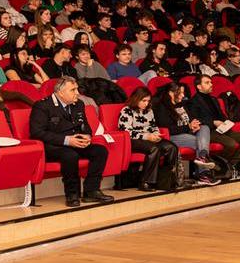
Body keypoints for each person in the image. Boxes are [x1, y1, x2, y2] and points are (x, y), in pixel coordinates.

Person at [29, 77, 113, 207]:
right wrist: (67, 140)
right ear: (60, 92)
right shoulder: (42, 105)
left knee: (100, 151)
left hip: (75, 142)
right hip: (53, 146)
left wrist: (87, 136)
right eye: (73, 90)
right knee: (70, 155)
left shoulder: (78, 104)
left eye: (77, 89)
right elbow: (37, 132)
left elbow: (86, 126)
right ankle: (72, 194)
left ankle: (91, 191)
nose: (77, 93)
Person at [151, 83, 220, 185]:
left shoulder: (181, 105)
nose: (183, 96)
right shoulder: (162, 107)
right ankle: (203, 173)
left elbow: (191, 120)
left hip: (187, 133)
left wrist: (194, 125)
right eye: (180, 93)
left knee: (204, 127)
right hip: (172, 137)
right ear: (171, 93)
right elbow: (168, 129)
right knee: (200, 142)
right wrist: (188, 127)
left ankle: (202, 157)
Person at [117, 87, 181, 191]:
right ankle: (146, 182)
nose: (146, 103)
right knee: (153, 149)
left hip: (148, 138)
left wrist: (156, 134)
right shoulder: (127, 110)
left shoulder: (149, 110)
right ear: (136, 99)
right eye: (144, 101)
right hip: (132, 140)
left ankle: (165, 181)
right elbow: (126, 132)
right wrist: (147, 136)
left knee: (171, 147)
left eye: (148, 101)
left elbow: (153, 126)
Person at [188, 75, 240, 176]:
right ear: (199, 86)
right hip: (208, 131)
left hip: (222, 129)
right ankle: (218, 164)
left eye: (211, 82)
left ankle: (231, 164)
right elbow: (196, 119)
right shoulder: (193, 101)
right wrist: (213, 122)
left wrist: (226, 122)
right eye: (207, 83)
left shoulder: (214, 99)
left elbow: (221, 115)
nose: (211, 84)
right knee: (231, 144)